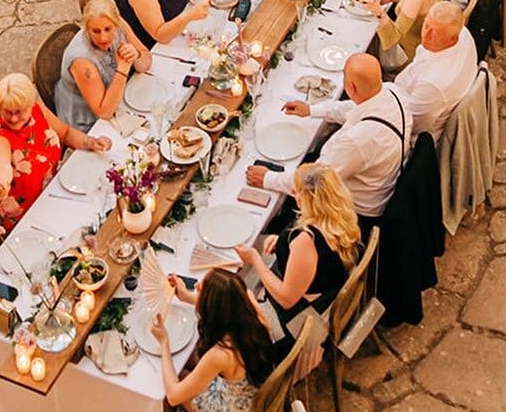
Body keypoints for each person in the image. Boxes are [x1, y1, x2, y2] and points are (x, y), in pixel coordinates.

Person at [248, 54, 409, 221]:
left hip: (353, 211)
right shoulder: (392, 92)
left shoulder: (356, 141)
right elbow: (353, 107)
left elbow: (314, 181)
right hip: (378, 182)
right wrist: (311, 110)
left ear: (351, 87)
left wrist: (268, 178)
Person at [236, 164, 359, 331]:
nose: (295, 196)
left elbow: (287, 299)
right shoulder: (340, 216)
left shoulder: (307, 240)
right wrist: (281, 242)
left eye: (297, 192)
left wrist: (255, 260)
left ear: (306, 199)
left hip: (298, 317)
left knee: (232, 295)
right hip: (325, 286)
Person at [0, 73, 109, 227]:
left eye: (18, 111)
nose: (13, 119)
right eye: (7, 112)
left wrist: (90, 142)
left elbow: (65, 133)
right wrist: (1, 182)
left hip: (51, 191)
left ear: (30, 104)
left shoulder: (37, 110)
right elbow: (2, 165)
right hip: (19, 215)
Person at [153, 266, 274, 412]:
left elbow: (173, 396)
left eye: (200, 288)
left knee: (168, 386)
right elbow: (224, 306)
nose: (196, 286)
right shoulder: (250, 308)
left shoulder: (221, 354)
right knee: (184, 368)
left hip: (234, 405)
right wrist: (187, 296)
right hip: (253, 388)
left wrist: (164, 342)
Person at [54, 0, 151, 133]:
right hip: (88, 122)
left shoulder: (119, 24)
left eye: (108, 29)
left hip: (117, 98)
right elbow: (104, 112)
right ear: (87, 28)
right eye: (96, 31)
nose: (103, 38)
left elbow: (145, 62)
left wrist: (136, 55)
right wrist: (123, 68)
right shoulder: (81, 60)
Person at [394, 2, 480, 140]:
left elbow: (409, 124)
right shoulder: (463, 33)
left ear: (453, 40)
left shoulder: (432, 84)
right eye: (426, 25)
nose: (426, 35)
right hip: (410, 100)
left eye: (436, 33)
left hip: (413, 134)